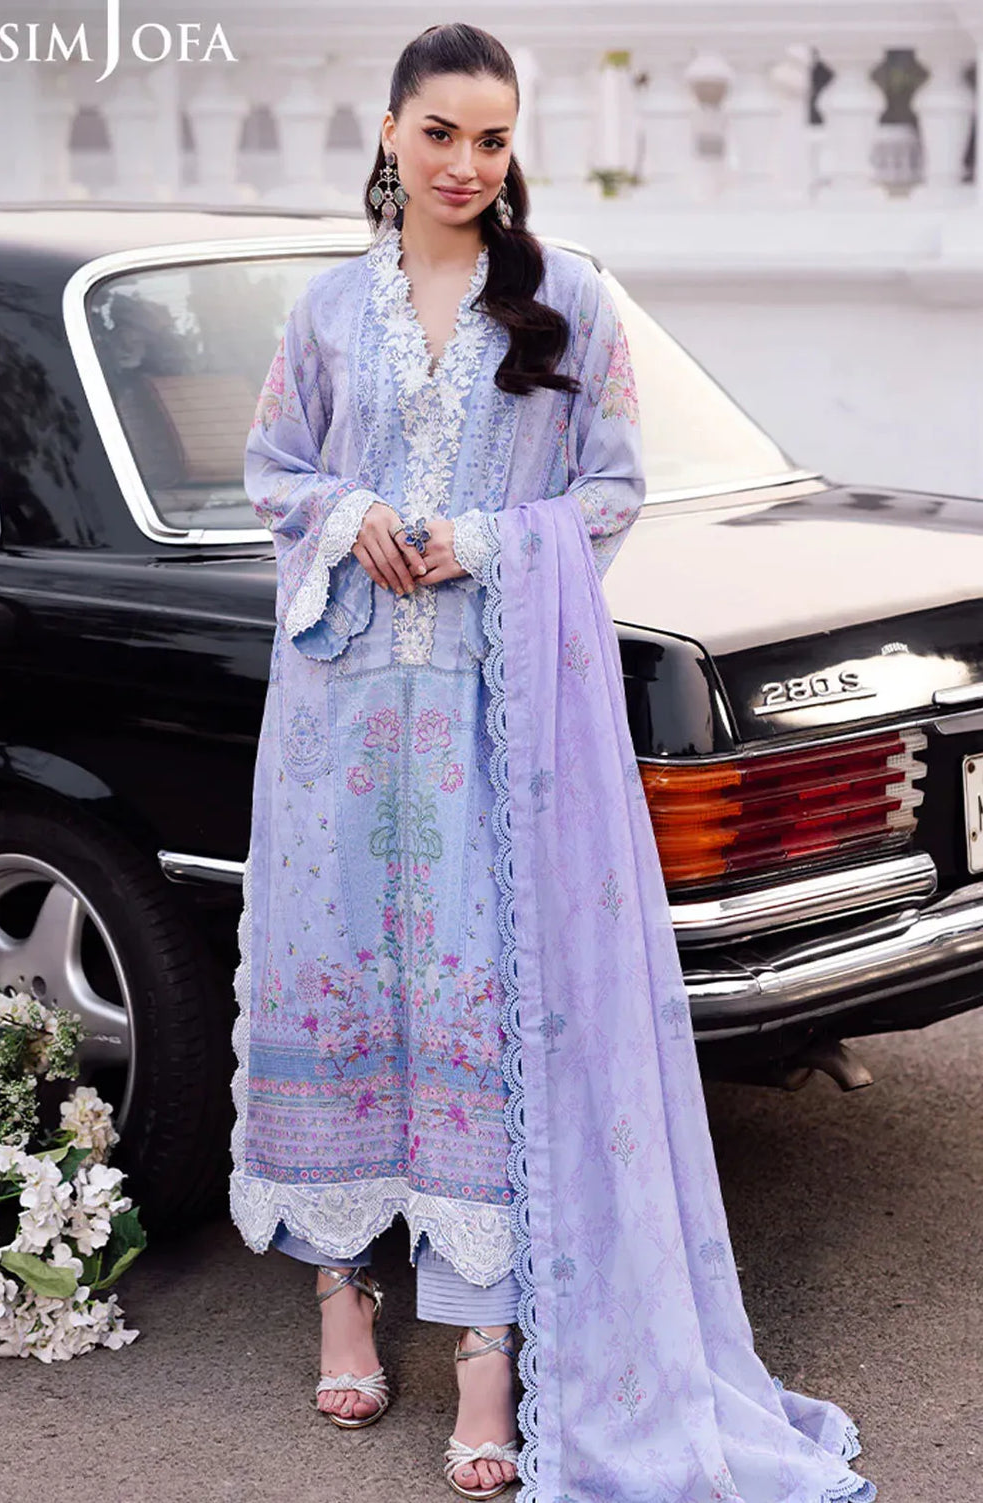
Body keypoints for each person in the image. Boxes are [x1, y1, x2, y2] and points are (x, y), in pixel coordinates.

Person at [229, 22, 878, 1503]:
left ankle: (487, 1352)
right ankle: (342, 1296)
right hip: (339, 722)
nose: (467, 163)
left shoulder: (568, 299)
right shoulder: (325, 311)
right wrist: (347, 514)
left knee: (485, 1011)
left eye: (494, 138)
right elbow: (273, 472)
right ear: (389, 133)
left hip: (494, 724)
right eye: (441, 132)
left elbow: (613, 491)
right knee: (343, 988)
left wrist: (480, 540)